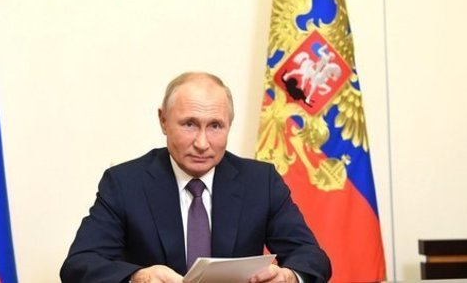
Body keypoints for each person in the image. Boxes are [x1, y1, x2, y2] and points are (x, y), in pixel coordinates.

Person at [60, 72, 331, 283]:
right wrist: (137, 277)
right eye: (189, 124)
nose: (202, 143)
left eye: (215, 126)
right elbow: (79, 264)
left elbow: (311, 257)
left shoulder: (261, 182)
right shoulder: (125, 183)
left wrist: (290, 276)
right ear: (163, 121)